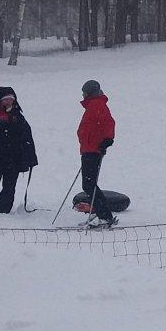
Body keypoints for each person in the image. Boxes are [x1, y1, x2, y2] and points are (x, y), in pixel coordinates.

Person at [76, 79, 117, 228]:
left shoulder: (97, 105)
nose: (83, 95)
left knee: (89, 185)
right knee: (89, 184)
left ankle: (105, 216)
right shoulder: (93, 105)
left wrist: (107, 140)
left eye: (84, 92)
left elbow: (109, 123)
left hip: (93, 149)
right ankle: (99, 212)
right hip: (88, 148)